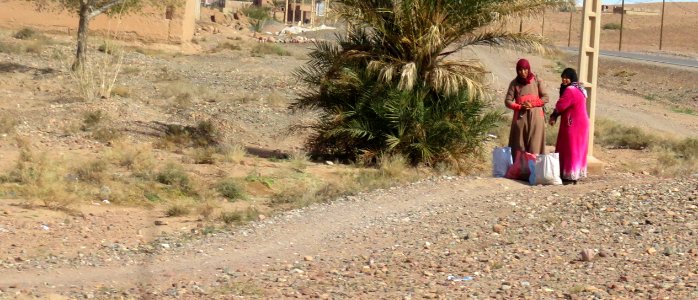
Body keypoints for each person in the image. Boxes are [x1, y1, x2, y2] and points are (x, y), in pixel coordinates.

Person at [549, 68, 589, 184]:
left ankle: (570, 175)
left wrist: (554, 116)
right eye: (563, 77)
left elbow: (561, 105)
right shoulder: (580, 89)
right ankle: (575, 175)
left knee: (570, 148)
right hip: (581, 123)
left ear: (572, 78)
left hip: (573, 123)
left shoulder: (570, 90)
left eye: (567, 77)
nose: (564, 80)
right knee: (577, 148)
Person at [505, 58, 549, 159]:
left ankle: (534, 171)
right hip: (520, 118)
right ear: (517, 70)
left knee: (535, 145)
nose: (523, 72)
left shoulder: (537, 80)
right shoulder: (514, 83)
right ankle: (521, 172)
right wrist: (520, 106)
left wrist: (532, 104)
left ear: (529, 69)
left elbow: (546, 98)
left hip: (536, 118)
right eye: (520, 70)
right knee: (519, 145)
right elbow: (508, 101)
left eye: (525, 69)